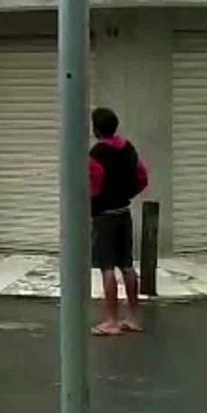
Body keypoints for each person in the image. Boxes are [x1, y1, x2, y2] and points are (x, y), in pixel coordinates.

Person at [87, 107, 149, 337]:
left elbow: (93, 187)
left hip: (104, 216)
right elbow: (142, 176)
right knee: (127, 264)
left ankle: (111, 320)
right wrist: (127, 194)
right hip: (124, 212)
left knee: (106, 267)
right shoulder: (128, 148)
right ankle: (133, 318)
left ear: (96, 128)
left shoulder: (97, 154)